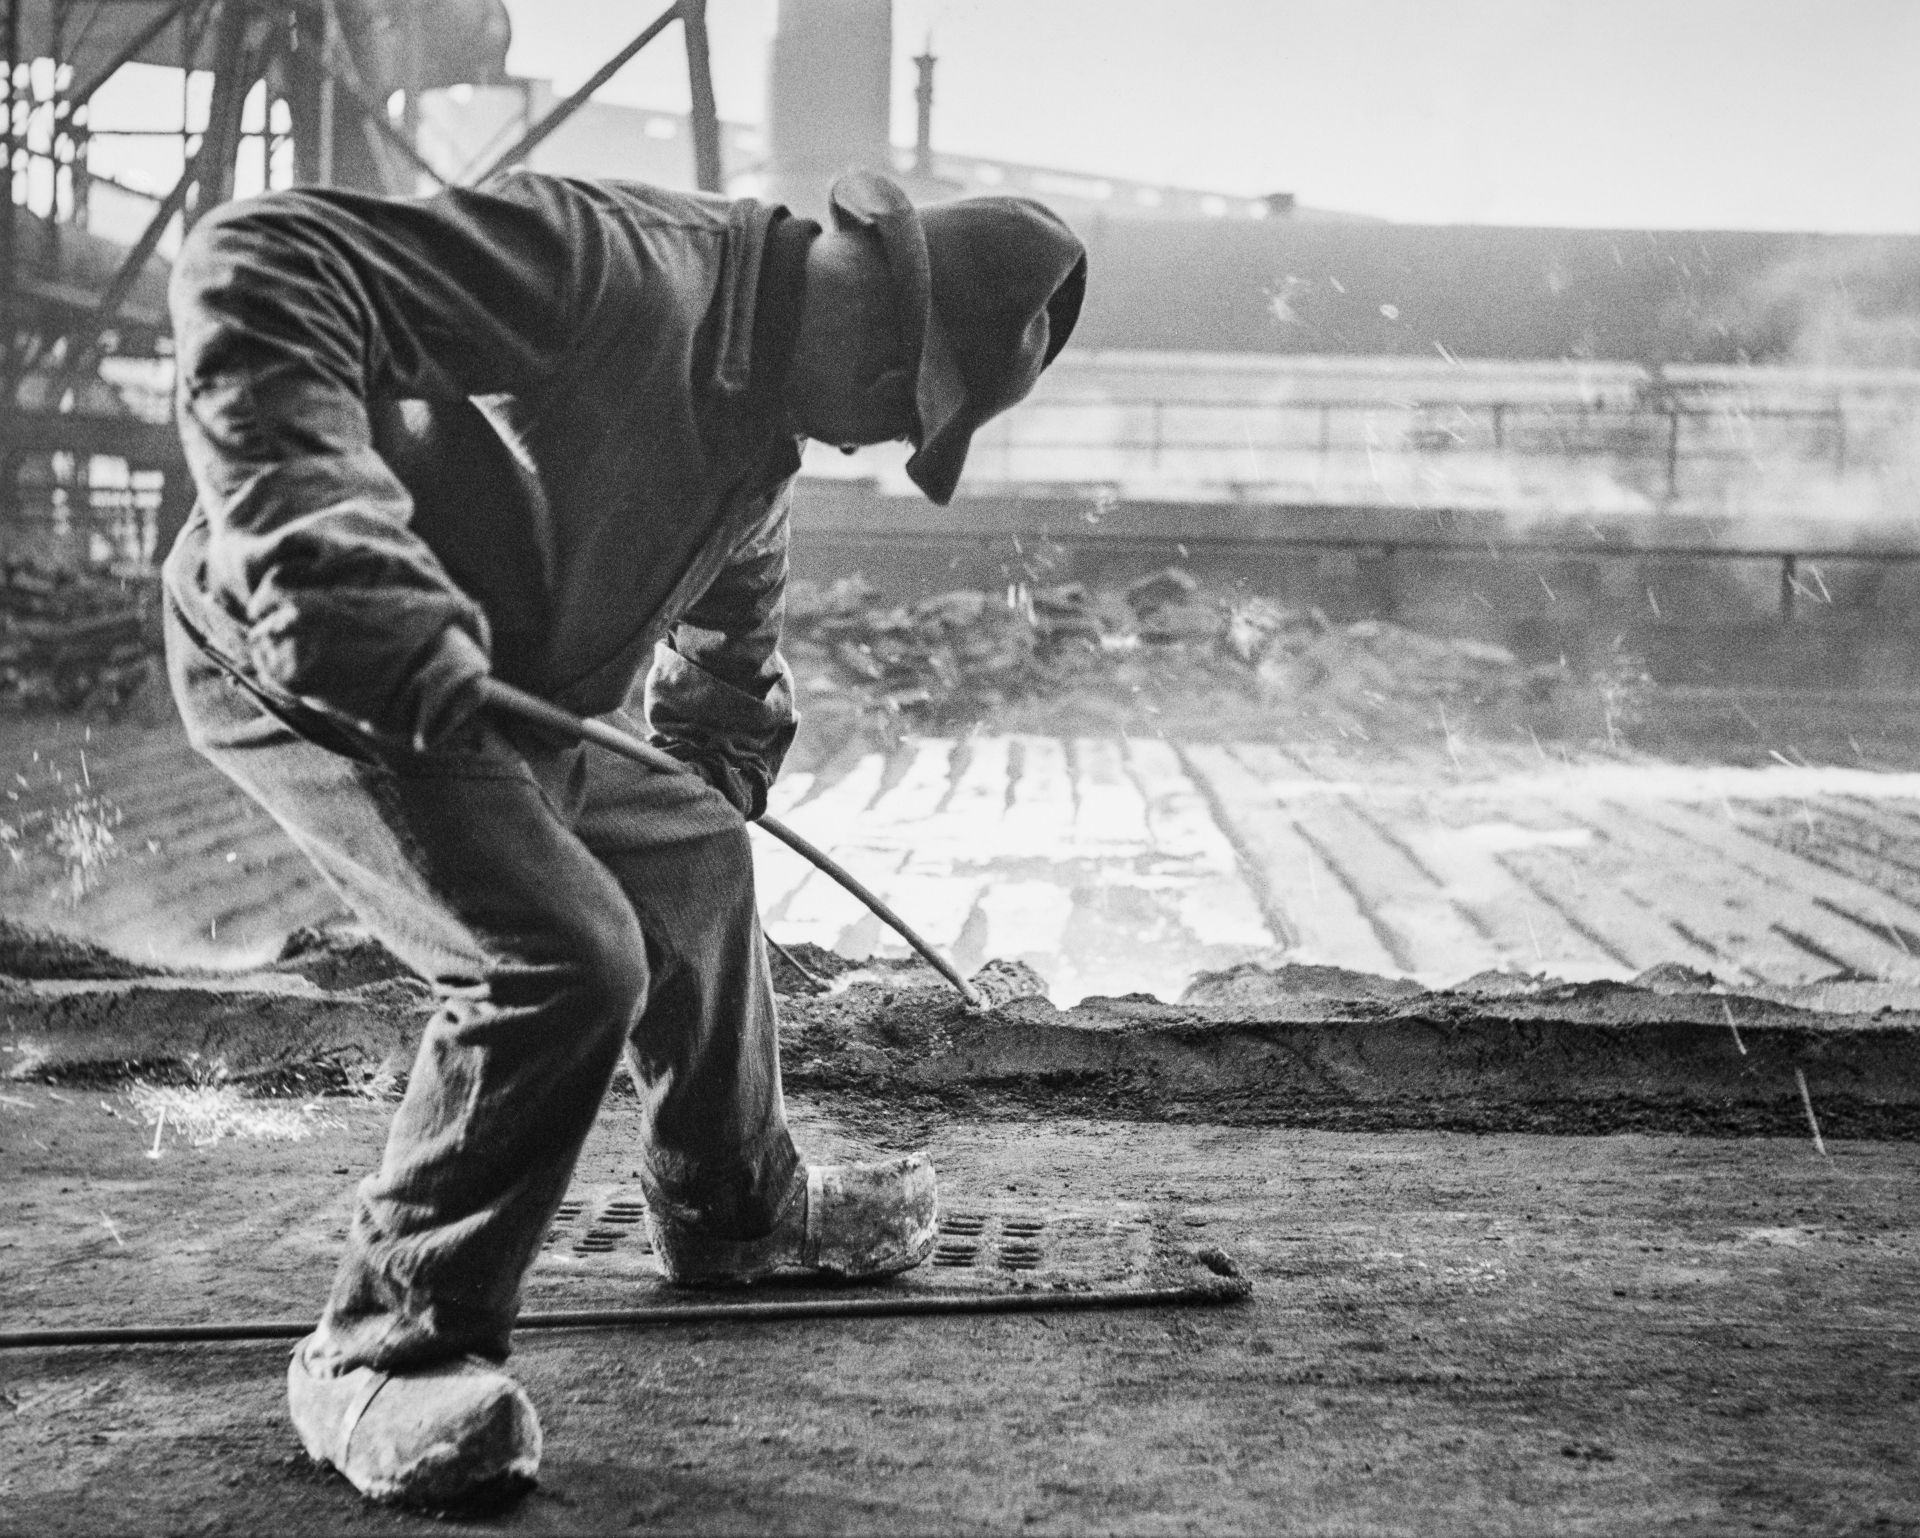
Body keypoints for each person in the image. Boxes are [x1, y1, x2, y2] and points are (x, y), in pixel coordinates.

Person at [161, 164, 1086, 1506]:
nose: (877, 442)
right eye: (906, 411)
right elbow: (262, 257)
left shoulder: (764, 436)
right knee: (566, 958)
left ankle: (732, 1209)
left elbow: (730, 643)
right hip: (335, 670)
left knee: (698, 857)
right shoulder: (611, 263)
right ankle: (380, 1352)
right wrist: (341, 569)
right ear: (883, 335)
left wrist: (718, 758)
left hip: (522, 706)